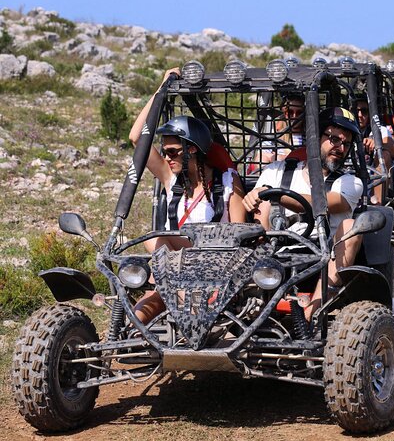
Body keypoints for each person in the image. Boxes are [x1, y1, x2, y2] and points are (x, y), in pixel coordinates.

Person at [128, 68, 246, 323]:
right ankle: (132, 346)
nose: (167, 158)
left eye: (172, 152)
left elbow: (240, 236)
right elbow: (137, 139)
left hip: (219, 267)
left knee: (158, 239)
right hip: (177, 273)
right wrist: (162, 89)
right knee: (136, 318)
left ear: (192, 149)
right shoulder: (173, 183)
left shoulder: (227, 183)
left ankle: (194, 310)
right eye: (165, 152)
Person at [242, 107, 364, 321]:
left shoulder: (350, 182)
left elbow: (322, 203)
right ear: (315, 138)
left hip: (322, 258)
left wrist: (271, 194)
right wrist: (253, 198)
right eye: (334, 139)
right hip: (276, 254)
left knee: (352, 227)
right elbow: (259, 214)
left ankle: (313, 310)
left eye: (346, 143)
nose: (340, 148)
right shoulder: (276, 171)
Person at [355, 94, 394, 203]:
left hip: (374, 177)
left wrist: (378, 143)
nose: (360, 115)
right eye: (356, 111)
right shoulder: (344, 132)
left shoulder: (380, 130)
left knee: (384, 154)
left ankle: (378, 204)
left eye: (364, 111)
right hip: (351, 176)